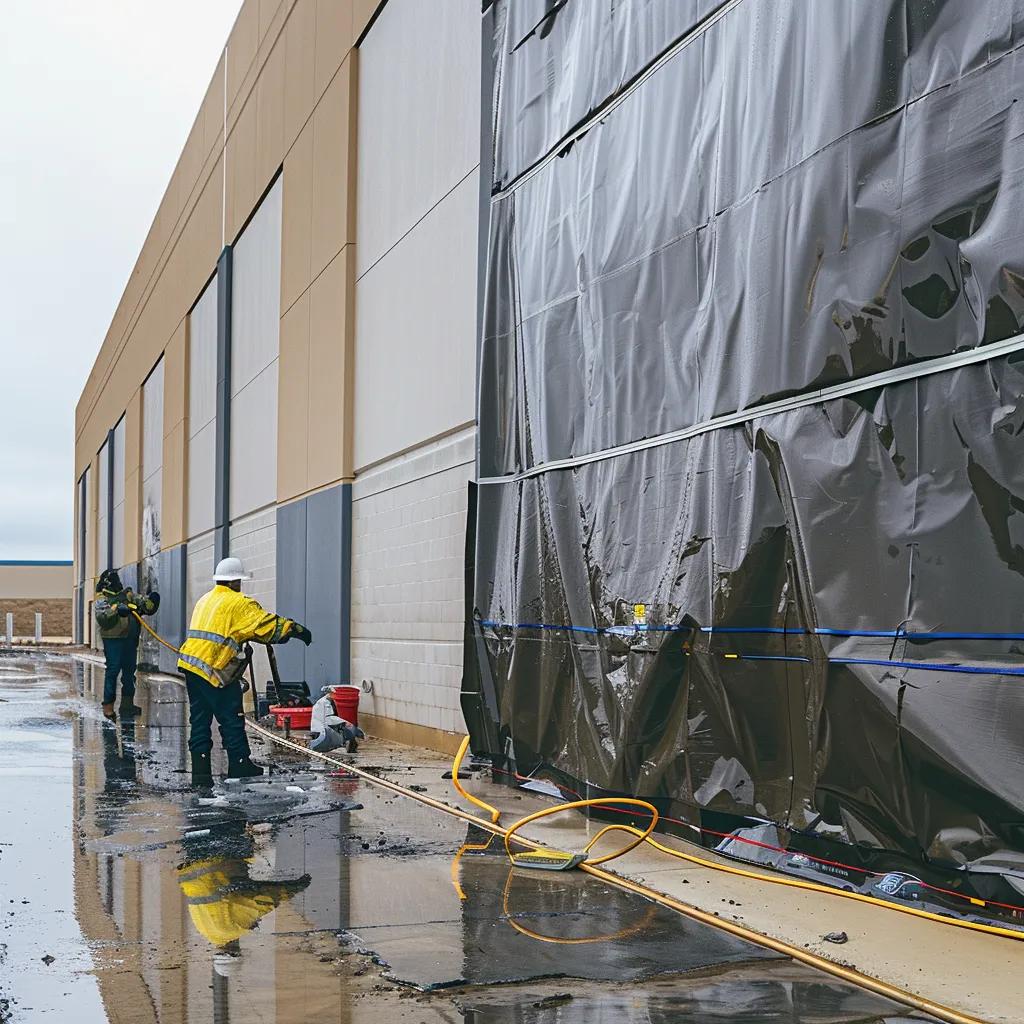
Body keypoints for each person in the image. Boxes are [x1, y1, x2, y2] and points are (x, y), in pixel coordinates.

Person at [177, 556, 311, 782]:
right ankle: (240, 766)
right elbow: (265, 625)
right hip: (214, 670)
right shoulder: (239, 603)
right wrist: (296, 630)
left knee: (199, 720)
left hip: (191, 667)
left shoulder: (205, 600)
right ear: (236, 581)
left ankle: (200, 772)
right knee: (231, 718)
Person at [94, 568, 160, 722]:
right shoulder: (102, 599)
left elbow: (145, 605)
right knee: (113, 670)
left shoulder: (128, 595)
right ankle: (108, 707)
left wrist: (152, 601)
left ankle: (127, 704)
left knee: (130, 672)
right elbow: (102, 617)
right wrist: (117, 610)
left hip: (130, 640)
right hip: (113, 640)